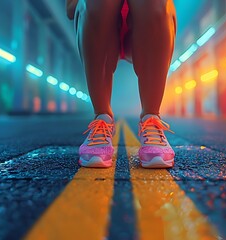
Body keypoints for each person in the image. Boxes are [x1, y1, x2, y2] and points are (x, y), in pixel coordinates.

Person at [67, 0, 177, 168]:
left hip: (148, 26)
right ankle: (102, 118)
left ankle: (151, 118)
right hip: (100, 29)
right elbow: (70, 9)